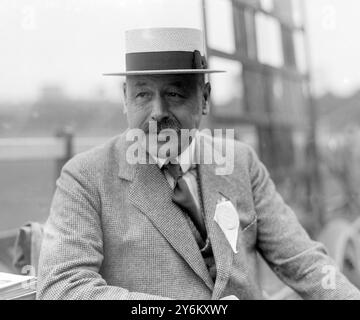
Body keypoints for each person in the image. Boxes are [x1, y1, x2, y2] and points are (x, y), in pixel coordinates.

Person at [36, 27, 360, 300]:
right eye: (143, 95)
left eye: (175, 94)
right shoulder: (85, 177)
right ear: (125, 98)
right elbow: (62, 285)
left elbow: (301, 259)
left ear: (204, 98)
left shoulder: (240, 162)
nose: (158, 111)